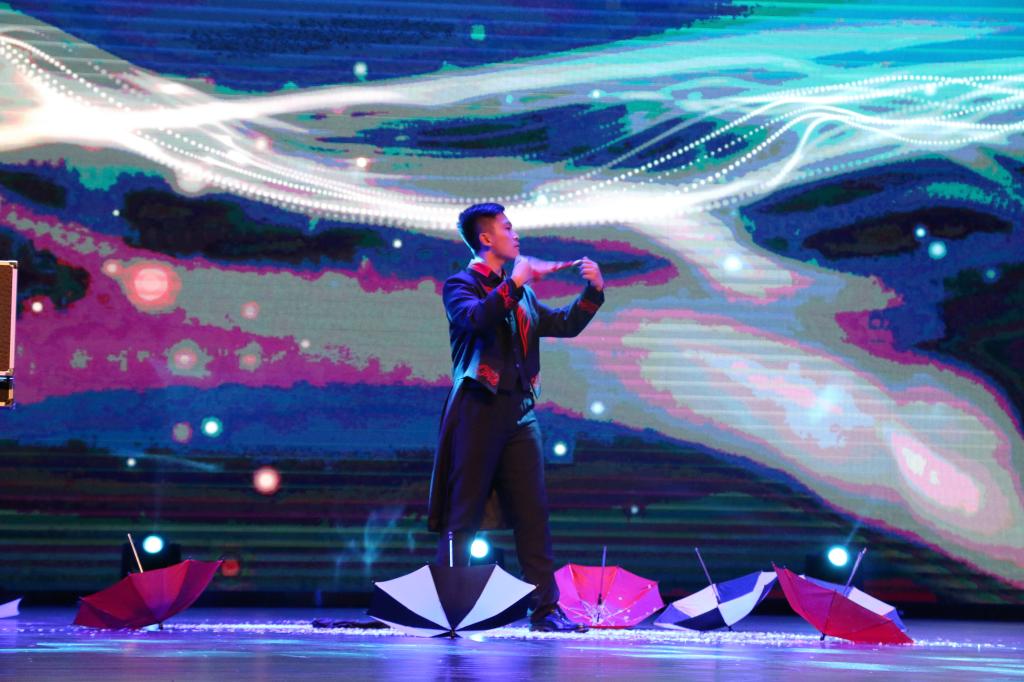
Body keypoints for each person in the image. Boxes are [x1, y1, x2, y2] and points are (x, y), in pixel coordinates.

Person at [427, 203, 605, 632]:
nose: (515, 234)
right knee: (464, 513)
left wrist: (593, 292)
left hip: (520, 411)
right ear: (486, 238)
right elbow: (476, 319)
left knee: (533, 512)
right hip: (478, 407)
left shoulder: (521, 293)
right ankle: (448, 605)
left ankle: (544, 609)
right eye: (507, 228)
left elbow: (563, 324)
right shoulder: (460, 285)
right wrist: (516, 283)